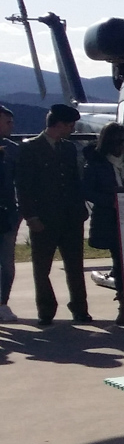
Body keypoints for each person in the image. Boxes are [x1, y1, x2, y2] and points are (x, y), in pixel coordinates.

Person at [15, 103, 91, 326]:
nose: (72, 130)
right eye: (70, 125)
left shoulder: (68, 149)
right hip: (44, 217)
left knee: (75, 266)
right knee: (42, 268)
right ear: (59, 124)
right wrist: (31, 216)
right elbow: (23, 186)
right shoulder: (30, 148)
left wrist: (81, 209)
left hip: (70, 216)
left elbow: (74, 181)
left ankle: (80, 308)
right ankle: (46, 309)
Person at [81, 123, 124, 323]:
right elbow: (87, 191)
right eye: (116, 141)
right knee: (120, 262)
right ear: (107, 142)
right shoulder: (96, 163)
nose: (121, 146)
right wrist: (112, 201)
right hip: (111, 220)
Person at [0, 104, 18, 322]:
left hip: (7, 215)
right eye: (7, 122)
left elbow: (21, 182)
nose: (11, 126)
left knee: (6, 263)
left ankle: (3, 303)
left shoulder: (13, 150)